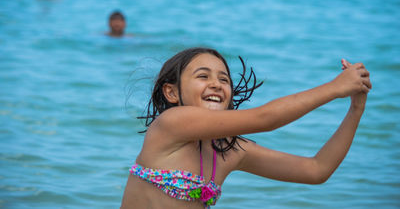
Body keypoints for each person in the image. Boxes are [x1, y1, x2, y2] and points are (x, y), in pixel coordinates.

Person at [121, 47, 371, 208]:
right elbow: (265, 119)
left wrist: (355, 109)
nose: (216, 84)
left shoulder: (229, 151)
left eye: (224, 79)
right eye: (203, 76)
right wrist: (335, 88)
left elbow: (316, 170)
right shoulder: (171, 125)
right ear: (172, 92)